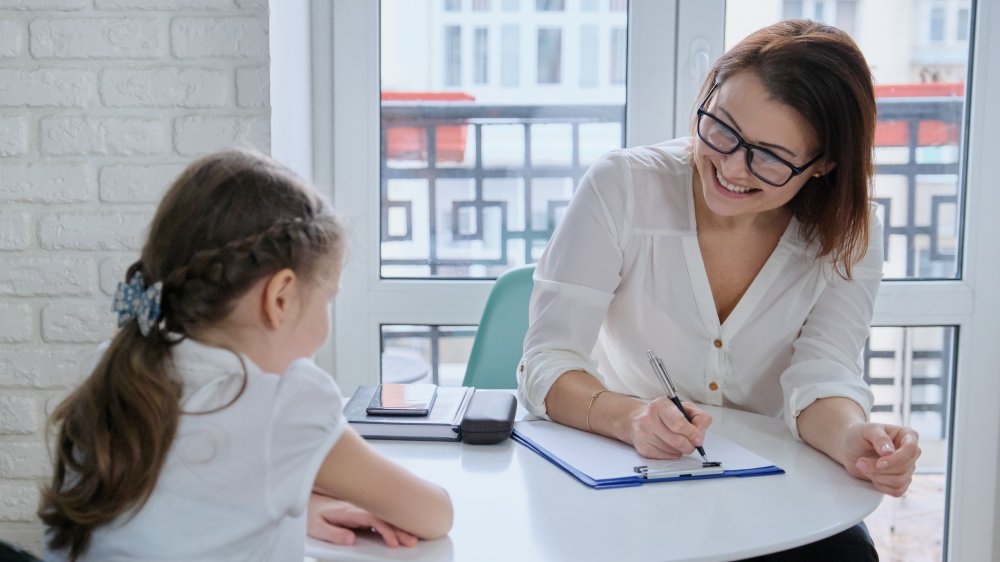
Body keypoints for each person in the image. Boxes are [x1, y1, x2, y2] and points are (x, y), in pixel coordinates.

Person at [517, 20, 920, 561]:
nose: (730, 166)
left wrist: (853, 439)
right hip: (628, 473)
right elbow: (548, 359)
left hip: (776, 486)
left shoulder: (852, 233)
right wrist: (631, 417)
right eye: (722, 128)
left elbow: (823, 374)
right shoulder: (623, 186)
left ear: (823, 164)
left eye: (770, 156)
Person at [38, 149, 453, 562]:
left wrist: (299, 498)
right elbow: (434, 513)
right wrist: (314, 479)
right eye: (327, 300)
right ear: (280, 298)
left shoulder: (116, 368)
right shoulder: (285, 402)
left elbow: (182, 504)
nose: (326, 328)